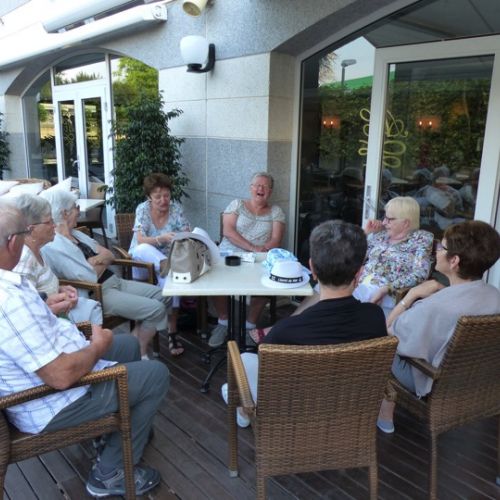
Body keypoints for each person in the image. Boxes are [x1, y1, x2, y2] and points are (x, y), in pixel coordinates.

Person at [0, 200, 169, 497]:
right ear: (14, 241)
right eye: (25, 233)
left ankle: (116, 434)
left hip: (50, 374)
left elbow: (23, 331)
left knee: (128, 345)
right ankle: (110, 473)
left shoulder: (11, 282)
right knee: (156, 375)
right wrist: (96, 347)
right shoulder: (9, 300)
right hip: (51, 402)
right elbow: (60, 376)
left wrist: (46, 309)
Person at [221, 220, 387, 427]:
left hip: (293, 419)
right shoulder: (375, 317)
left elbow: (270, 380)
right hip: (347, 416)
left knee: (244, 360)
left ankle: (243, 411)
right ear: (360, 273)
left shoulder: (286, 331)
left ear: (312, 269)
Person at [249, 196, 433, 342]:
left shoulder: (421, 240)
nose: (384, 222)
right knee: (322, 286)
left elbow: (420, 273)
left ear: (406, 223)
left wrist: (389, 287)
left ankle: (291, 331)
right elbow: (352, 252)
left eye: (389, 219)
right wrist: (365, 233)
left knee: (331, 295)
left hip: (382, 289)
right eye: (384, 217)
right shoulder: (381, 236)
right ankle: (291, 324)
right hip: (359, 279)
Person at [378, 220, 500, 433]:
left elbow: (388, 330)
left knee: (376, 343)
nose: (436, 251)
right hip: (471, 381)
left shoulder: (434, 307)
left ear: (454, 261)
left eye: (441, 247)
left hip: (433, 382)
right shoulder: (494, 296)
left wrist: (411, 295)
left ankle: (384, 416)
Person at [39, 189, 170, 358]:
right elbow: (88, 276)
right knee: (156, 309)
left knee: (165, 295)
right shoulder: (54, 245)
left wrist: (95, 261)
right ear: (65, 213)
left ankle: (133, 342)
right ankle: (140, 350)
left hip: (114, 281)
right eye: (76, 207)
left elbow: (109, 254)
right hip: (98, 292)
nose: (79, 211)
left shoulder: (76, 234)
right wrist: (99, 260)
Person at [209, 172, 286, 347]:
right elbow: (228, 231)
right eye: (257, 185)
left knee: (267, 281)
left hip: (259, 257)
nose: (260, 189)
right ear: (250, 188)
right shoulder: (237, 205)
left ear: (270, 191)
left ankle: (250, 326)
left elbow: (276, 240)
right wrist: (252, 247)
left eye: (265, 186)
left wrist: (259, 251)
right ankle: (223, 322)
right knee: (215, 278)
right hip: (230, 253)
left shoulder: (276, 212)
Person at [12, 194, 103, 324]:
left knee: (93, 309)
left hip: (58, 311)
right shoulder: (24, 261)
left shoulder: (37, 250)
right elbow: (27, 313)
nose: (54, 225)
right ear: (32, 229)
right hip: (51, 321)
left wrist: (60, 288)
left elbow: (40, 289)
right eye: (49, 222)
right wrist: (59, 304)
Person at [129, 173, 191, 355]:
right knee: (143, 249)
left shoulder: (176, 209)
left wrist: (181, 238)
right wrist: (161, 238)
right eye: (158, 197)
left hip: (169, 260)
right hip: (142, 262)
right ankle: (165, 265)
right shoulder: (142, 209)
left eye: (166, 195)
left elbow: (187, 234)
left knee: (172, 282)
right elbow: (140, 239)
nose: (163, 200)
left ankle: (171, 332)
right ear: (149, 197)